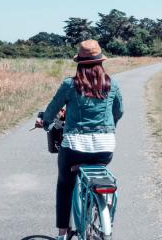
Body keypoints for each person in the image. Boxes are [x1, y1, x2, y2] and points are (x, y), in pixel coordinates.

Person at [36, 39, 123, 240]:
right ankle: (99, 207)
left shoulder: (70, 84)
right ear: (101, 62)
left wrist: (45, 121)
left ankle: (62, 235)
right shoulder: (112, 84)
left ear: (79, 63)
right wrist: (109, 129)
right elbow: (119, 111)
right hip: (105, 147)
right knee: (98, 169)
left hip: (75, 147)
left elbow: (51, 112)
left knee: (65, 185)